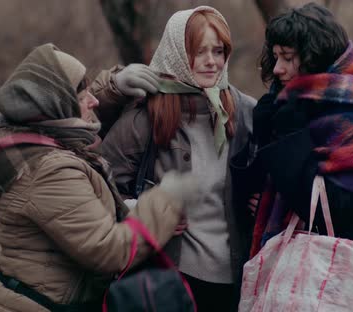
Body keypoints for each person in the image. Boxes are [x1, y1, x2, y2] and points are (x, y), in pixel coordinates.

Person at [0, 43, 200, 311]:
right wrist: (163, 201)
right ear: (58, 110)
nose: (93, 101)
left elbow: (70, 108)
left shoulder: (29, 138)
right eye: (82, 97)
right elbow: (109, 251)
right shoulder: (48, 169)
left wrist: (115, 85)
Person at [233, 3, 353, 311]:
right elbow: (248, 188)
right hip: (296, 279)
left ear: (315, 59)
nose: (278, 68)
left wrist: (288, 138)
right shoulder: (289, 105)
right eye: (276, 56)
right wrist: (264, 130)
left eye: (288, 58)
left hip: (345, 289)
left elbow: (330, 207)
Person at [93, 6, 256, 311]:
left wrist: (263, 201)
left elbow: (270, 174)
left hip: (236, 276)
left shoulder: (246, 113)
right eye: (199, 51)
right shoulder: (146, 115)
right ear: (179, 54)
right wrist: (143, 208)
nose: (211, 62)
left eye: (218, 51)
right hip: (168, 276)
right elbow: (99, 184)